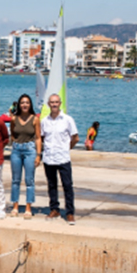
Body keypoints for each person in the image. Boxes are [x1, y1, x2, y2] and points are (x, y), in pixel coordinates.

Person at [40, 93, 79, 225]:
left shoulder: (67, 120)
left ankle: (69, 212)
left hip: (63, 158)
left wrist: (67, 148)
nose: (54, 104)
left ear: (60, 103)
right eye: (52, 102)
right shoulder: (45, 121)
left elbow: (75, 138)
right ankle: (54, 209)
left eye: (56, 102)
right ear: (49, 104)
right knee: (52, 185)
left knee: (67, 186)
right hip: (49, 158)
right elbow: (41, 138)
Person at [9, 94, 42, 219]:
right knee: (15, 180)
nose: (24, 105)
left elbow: (38, 138)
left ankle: (28, 207)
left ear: (30, 104)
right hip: (16, 150)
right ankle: (15, 206)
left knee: (29, 180)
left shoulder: (35, 119)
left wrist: (38, 155)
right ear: (19, 104)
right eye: (22, 102)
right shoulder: (14, 119)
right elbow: (12, 134)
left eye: (27, 102)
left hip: (30, 150)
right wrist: (15, 144)